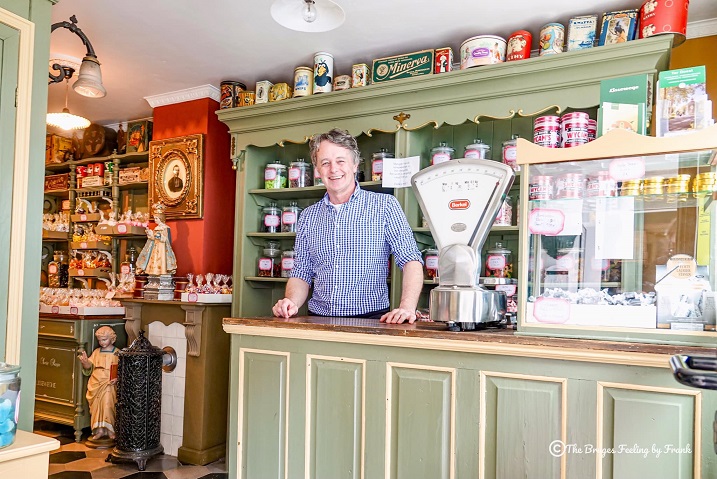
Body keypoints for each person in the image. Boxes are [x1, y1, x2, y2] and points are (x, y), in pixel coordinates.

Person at [272, 128, 424, 324]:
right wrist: (290, 302)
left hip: (371, 321)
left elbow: (411, 259)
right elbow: (302, 272)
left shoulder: (385, 206)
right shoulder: (308, 216)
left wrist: (407, 307)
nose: (333, 169)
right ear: (317, 169)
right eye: (325, 163)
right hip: (317, 320)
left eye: (341, 161)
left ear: (355, 165)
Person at [77, 326, 119, 441]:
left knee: (108, 405)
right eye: (100, 340)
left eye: (104, 339)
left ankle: (110, 430)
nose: (102, 342)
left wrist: (117, 378)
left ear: (112, 339)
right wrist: (85, 362)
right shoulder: (96, 352)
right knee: (96, 407)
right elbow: (89, 366)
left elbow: (121, 368)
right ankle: (99, 430)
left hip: (108, 383)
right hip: (96, 381)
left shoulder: (117, 353)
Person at [136, 202, 177, 275]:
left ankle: (163, 272)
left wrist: (156, 235)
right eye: (154, 218)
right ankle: (154, 272)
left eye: (156, 218)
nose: (155, 220)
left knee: (161, 260)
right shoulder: (156, 228)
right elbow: (153, 238)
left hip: (162, 248)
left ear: (161, 218)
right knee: (154, 259)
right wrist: (150, 234)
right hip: (155, 247)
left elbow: (165, 239)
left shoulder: (165, 228)